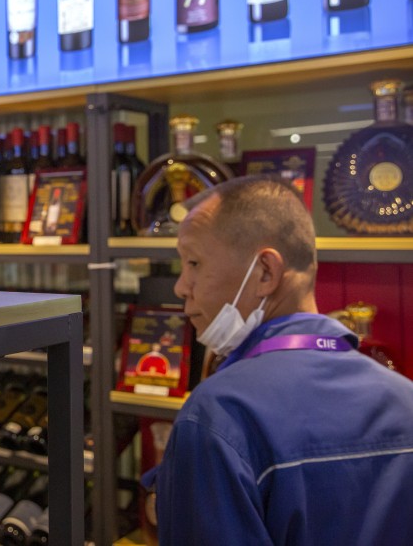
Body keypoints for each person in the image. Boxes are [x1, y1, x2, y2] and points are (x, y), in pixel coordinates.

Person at [146, 175, 413, 544]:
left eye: (193, 262)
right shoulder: (406, 399)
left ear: (266, 272)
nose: (180, 286)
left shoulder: (218, 415)